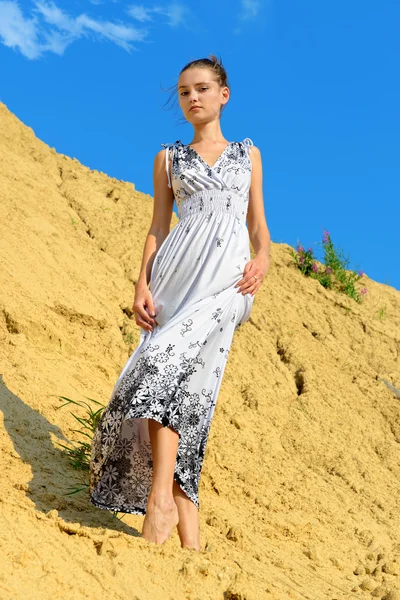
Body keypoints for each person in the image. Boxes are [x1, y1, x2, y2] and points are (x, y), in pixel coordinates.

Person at [89, 54, 271, 551]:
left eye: (202, 89)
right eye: (185, 92)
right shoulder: (168, 158)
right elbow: (157, 228)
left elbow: (258, 225)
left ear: (223, 94)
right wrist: (141, 285)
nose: (192, 97)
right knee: (178, 392)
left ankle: (158, 501)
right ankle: (189, 541)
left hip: (229, 287)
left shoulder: (248, 154)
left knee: (164, 372)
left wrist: (263, 259)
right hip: (174, 283)